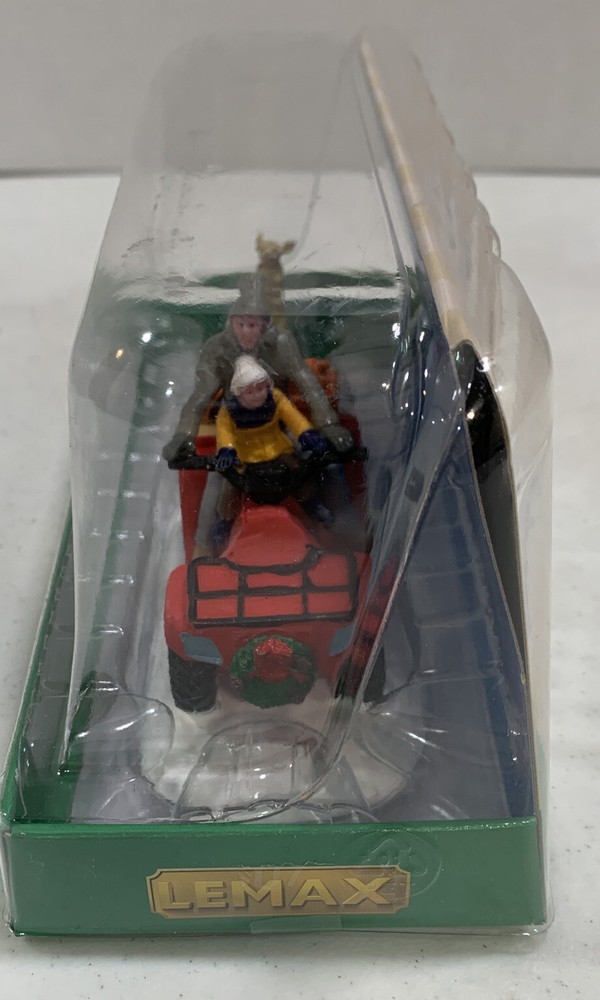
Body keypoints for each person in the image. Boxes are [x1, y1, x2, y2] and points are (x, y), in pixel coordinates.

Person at [163, 274, 352, 554]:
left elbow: (306, 383)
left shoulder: (281, 344)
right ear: (231, 323)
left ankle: (343, 530)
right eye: (241, 324)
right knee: (218, 481)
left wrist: (327, 426)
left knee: (326, 466)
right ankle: (204, 546)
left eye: (253, 325)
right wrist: (184, 435)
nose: (246, 332)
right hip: (239, 432)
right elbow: (201, 396)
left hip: (277, 427)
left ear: (264, 325)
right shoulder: (217, 349)